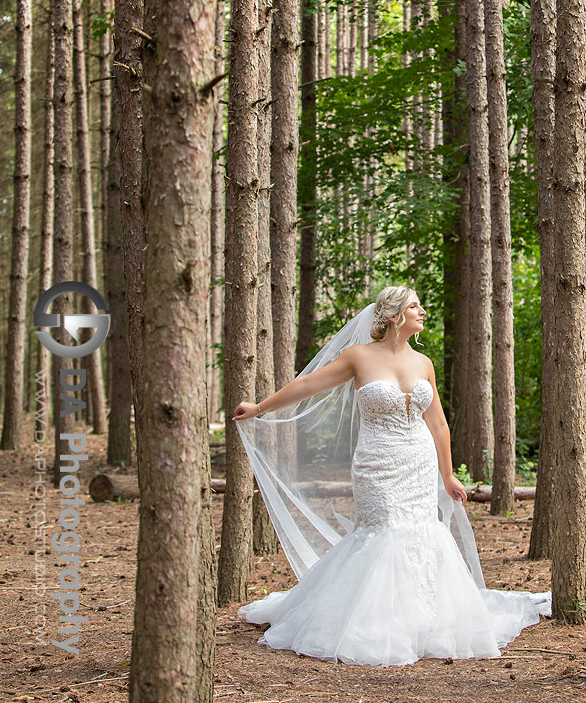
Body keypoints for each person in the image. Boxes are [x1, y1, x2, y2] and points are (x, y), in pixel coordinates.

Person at [232, 285, 556, 666]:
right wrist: (260, 407)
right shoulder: (358, 357)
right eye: (415, 305)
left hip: (417, 461)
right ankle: (371, 623)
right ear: (392, 316)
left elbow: (438, 425)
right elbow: (307, 385)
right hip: (376, 462)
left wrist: (447, 475)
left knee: (422, 531)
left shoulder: (424, 364)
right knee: (383, 530)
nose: (423, 311)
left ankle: (425, 619)